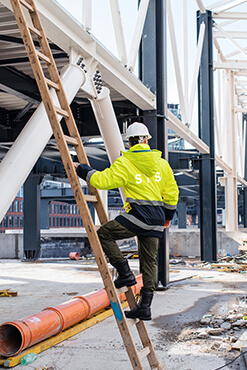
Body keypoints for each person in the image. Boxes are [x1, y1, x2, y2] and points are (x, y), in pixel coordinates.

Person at [75, 122, 179, 320]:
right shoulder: (162, 164)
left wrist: (82, 169)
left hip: (139, 216)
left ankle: (125, 273)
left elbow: (102, 181)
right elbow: (172, 192)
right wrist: (168, 216)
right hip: (157, 219)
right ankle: (145, 307)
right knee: (150, 263)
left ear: (129, 142)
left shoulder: (126, 163)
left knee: (104, 234)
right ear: (146, 140)